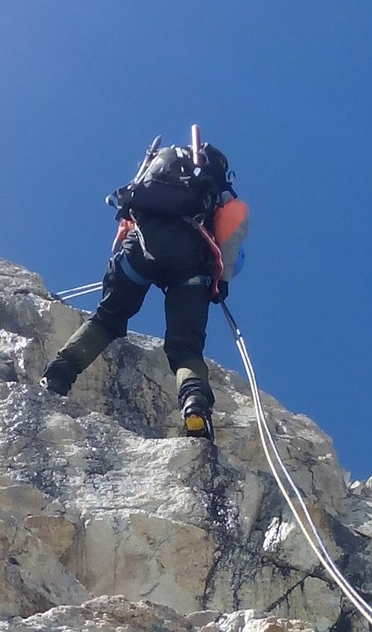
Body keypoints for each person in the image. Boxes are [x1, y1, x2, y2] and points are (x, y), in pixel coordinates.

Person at [42, 129, 249, 438]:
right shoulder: (216, 196)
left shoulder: (157, 181)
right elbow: (232, 230)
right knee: (186, 348)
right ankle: (195, 406)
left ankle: (57, 376)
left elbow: (125, 226)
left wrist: (123, 266)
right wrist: (221, 282)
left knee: (108, 318)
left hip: (139, 249)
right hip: (189, 265)